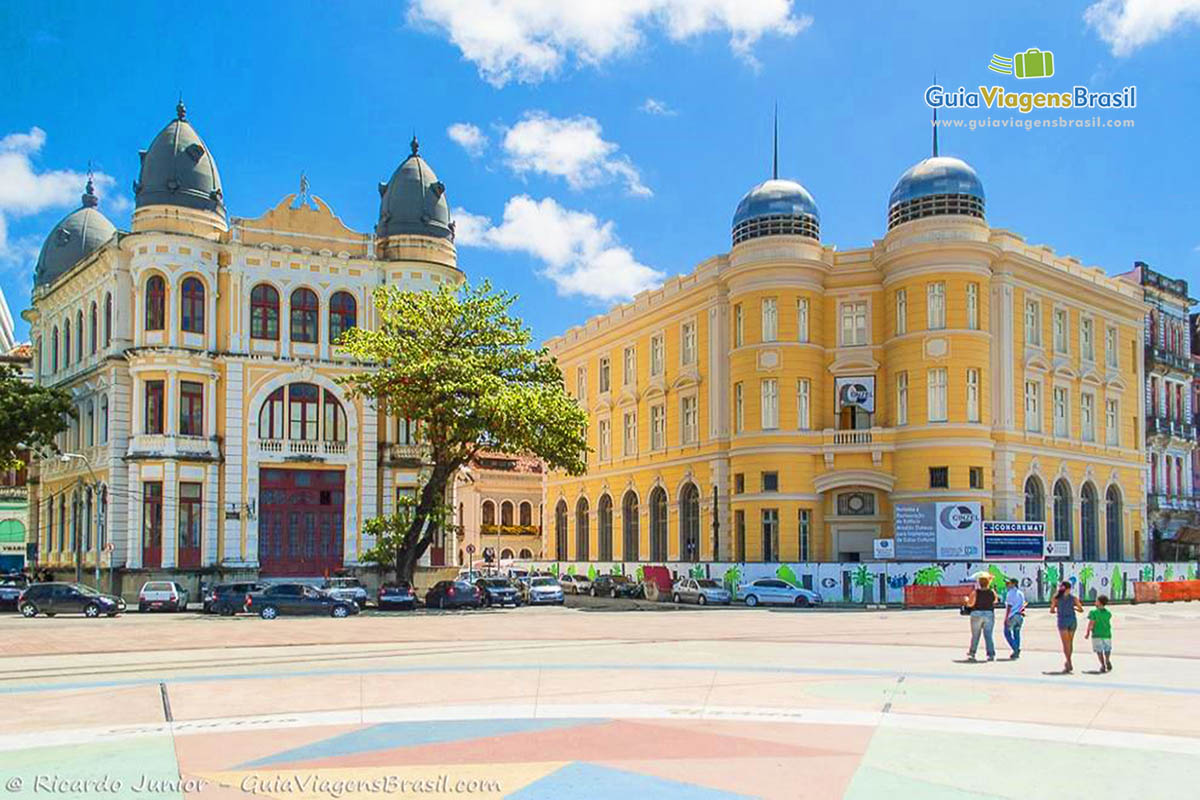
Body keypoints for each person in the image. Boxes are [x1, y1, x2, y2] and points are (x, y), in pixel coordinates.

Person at [1050, 580, 1084, 672]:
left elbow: (1052, 610)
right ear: (1069, 589)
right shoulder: (1073, 598)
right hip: (1072, 620)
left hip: (1062, 620)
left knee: (1065, 643)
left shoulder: (1056, 598)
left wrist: (1058, 609)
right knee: (1070, 642)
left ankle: (1069, 662)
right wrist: (1074, 608)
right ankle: (1068, 661)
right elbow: (1081, 609)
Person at [962, 574, 997, 661]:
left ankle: (972, 653)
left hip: (976, 613)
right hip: (989, 613)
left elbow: (971, 604)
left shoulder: (975, 592)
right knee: (988, 635)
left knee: (975, 635)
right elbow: (995, 601)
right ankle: (991, 654)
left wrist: (966, 600)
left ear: (979, 583)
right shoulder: (992, 592)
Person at [1085, 594, 1114, 672]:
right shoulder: (1108, 613)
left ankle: (1102, 665)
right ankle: (1107, 660)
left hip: (1097, 634)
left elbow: (1091, 623)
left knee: (1099, 650)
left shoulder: (1093, 612)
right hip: (1107, 633)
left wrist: (1087, 632)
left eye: (1096, 601)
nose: (1095, 602)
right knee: (1107, 649)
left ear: (1099, 602)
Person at [1003, 578, 1027, 659]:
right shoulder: (1020, 593)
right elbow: (1023, 605)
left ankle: (1015, 648)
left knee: (1007, 633)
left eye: (1008, 583)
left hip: (1012, 615)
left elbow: (1009, 606)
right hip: (1019, 615)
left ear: (1013, 584)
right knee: (1017, 633)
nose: (1007, 585)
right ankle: (1016, 650)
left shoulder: (1010, 593)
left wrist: (1006, 618)